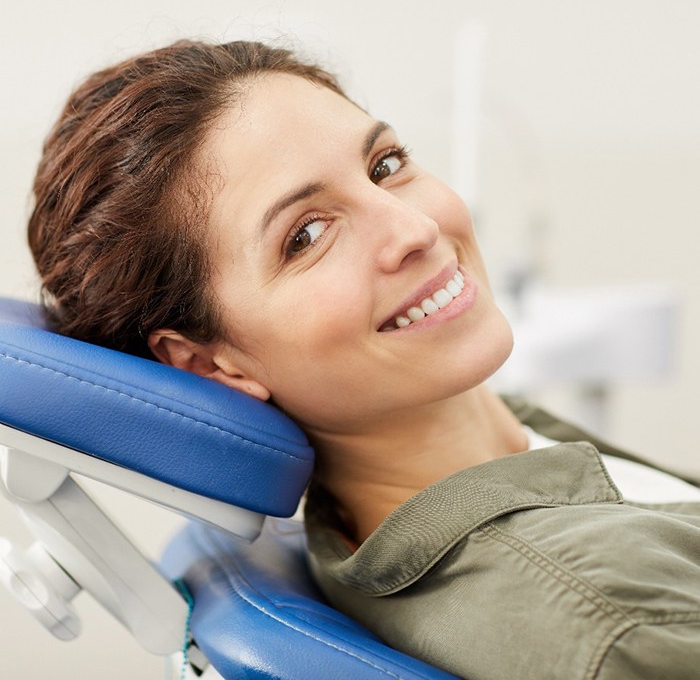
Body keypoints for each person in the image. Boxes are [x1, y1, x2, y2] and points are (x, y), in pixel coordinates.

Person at [28, 39, 700, 680]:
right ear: (209, 365)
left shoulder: (493, 454)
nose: (417, 229)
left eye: (385, 165)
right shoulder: (621, 626)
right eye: (307, 235)